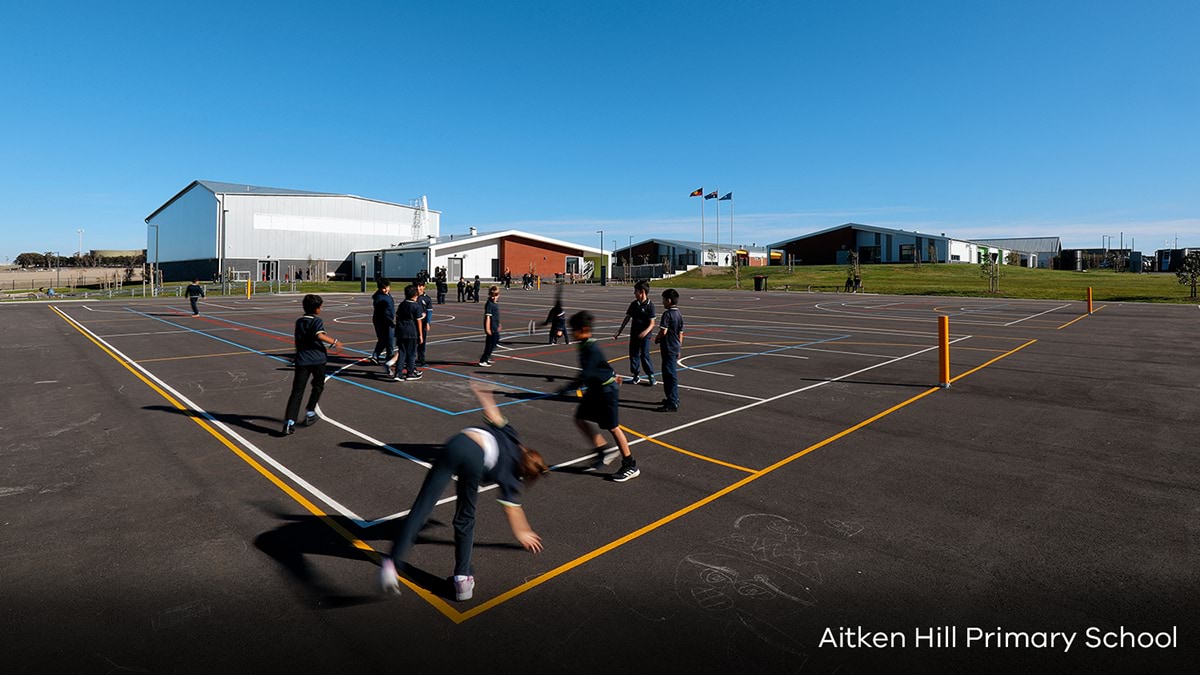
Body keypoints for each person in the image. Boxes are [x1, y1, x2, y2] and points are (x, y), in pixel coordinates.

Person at [379, 382, 547, 600]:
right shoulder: (512, 477)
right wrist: (523, 531)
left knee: (423, 506)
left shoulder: (512, 437)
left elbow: (493, 413)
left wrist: (483, 393)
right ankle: (462, 581)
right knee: (465, 518)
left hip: (458, 443)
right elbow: (513, 509)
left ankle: (392, 565)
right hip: (476, 461)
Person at [563, 311, 638, 482]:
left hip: (606, 391)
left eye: (574, 329)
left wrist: (566, 387)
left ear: (585, 329)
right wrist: (612, 372)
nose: (572, 333)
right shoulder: (584, 344)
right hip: (596, 389)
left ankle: (630, 464)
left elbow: (586, 374)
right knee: (580, 419)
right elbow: (600, 366)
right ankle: (602, 449)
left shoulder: (591, 348)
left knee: (613, 427)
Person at [282, 294, 340, 435]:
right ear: (317, 309)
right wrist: (334, 342)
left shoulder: (299, 322)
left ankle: (289, 421)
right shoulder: (316, 321)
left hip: (302, 360)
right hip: (317, 360)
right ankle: (310, 411)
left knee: (297, 391)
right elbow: (319, 335)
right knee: (318, 386)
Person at [613, 280, 656, 386]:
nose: (634, 293)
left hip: (645, 336)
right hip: (634, 334)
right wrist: (619, 331)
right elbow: (627, 318)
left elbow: (652, 323)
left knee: (644, 355)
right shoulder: (634, 304)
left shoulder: (650, 306)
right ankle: (636, 375)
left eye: (635, 291)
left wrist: (645, 333)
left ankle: (651, 376)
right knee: (633, 355)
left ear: (642, 292)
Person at [655, 288, 684, 413]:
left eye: (663, 300)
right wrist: (679, 346)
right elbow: (681, 333)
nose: (662, 302)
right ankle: (671, 398)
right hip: (675, 346)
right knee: (670, 374)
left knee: (669, 375)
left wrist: (657, 338)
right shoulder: (679, 314)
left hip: (668, 347)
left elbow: (664, 331)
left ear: (669, 300)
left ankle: (673, 401)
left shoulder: (667, 314)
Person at [392, 284, 424, 381]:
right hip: (411, 331)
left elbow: (397, 317)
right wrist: (420, 334)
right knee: (411, 353)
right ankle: (410, 373)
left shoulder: (402, 304)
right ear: (415, 295)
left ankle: (398, 373)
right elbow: (418, 321)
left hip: (401, 331)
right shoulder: (416, 306)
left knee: (402, 352)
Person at [370, 278, 395, 368]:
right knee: (388, 339)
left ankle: (376, 355)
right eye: (384, 288)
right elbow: (384, 312)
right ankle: (389, 356)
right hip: (383, 321)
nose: (386, 289)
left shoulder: (387, 294)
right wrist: (390, 319)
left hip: (386, 319)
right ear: (380, 288)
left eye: (387, 287)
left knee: (385, 339)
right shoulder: (380, 298)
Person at [478, 285, 501, 367]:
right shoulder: (489, 304)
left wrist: (499, 324)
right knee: (490, 345)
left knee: (496, 341)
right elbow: (488, 317)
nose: (494, 297)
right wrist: (487, 328)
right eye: (492, 295)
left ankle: (487, 357)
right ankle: (483, 360)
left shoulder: (495, 304)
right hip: (491, 328)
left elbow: (496, 316)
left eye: (496, 295)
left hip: (495, 327)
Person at [416, 279, 434, 367]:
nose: (418, 288)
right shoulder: (413, 297)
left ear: (423, 287)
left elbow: (429, 311)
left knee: (422, 342)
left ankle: (421, 359)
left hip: (422, 324)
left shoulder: (427, 299)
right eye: (417, 286)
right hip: (413, 324)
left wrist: (428, 322)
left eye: (420, 286)